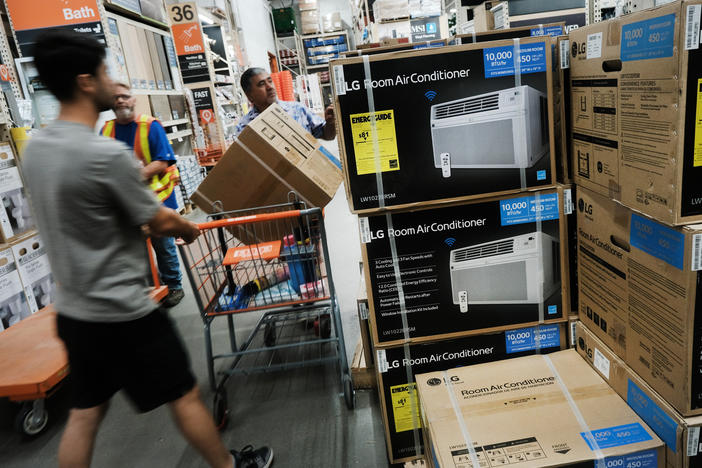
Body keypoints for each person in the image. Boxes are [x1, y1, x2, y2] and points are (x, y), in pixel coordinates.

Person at [20, 31, 273, 468]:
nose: (109, 83)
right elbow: (157, 220)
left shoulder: (38, 149)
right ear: (84, 81)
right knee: (184, 395)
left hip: (75, 313)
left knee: (85, 414)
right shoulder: (103, 153)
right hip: (125, 313)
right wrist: (190, 229)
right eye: (103, 73)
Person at [100, 83, 185, 308]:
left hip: (158, 200)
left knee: (163, 246)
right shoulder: (106, 131)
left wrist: (135, 175)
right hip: (126, 204)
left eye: (125, 97)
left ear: (133, 100)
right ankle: (154, 288)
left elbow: (163, 160)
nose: (120, 101)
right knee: (138, 249)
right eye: (115, 97)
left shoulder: (150, 126)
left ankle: (174, 286)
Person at [235, 67, 336, 140]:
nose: (269, 87)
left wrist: (330, 123)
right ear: (249, 96)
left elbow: (327, 135)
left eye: (270, 81)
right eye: (261, 84)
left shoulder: (297, 109)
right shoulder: (245, 127)